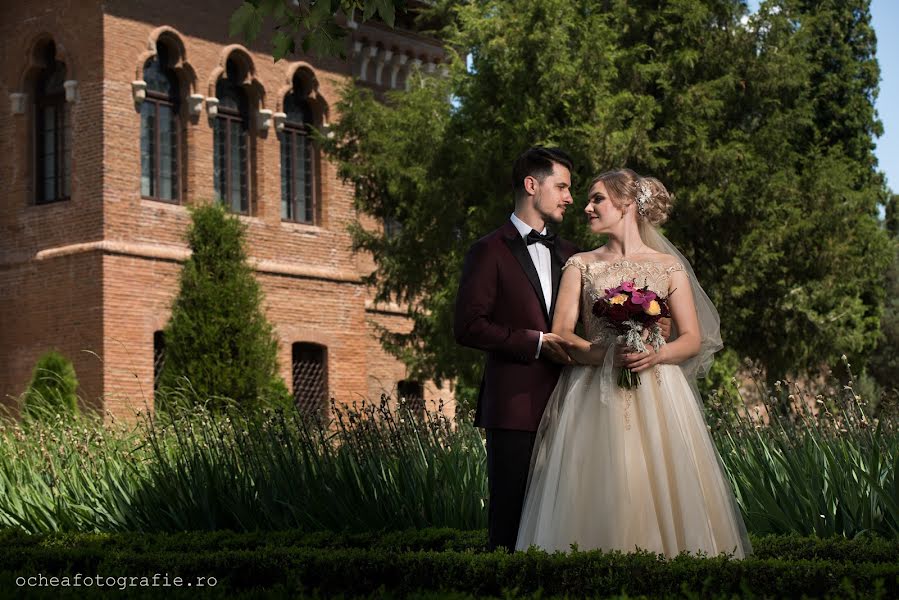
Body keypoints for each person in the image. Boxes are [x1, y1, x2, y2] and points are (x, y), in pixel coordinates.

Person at [515, 168, 752, 558]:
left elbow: (692, 338)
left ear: (626, 205)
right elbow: (562, 334)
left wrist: (656, 353)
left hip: (659, 394)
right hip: (593, 394)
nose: (586, 207)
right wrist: (606, 354)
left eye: (597, 199)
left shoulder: (667, 266)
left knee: (661, 488)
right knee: (595, 492)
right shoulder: (580, 264)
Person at [453, 146, 580, 551]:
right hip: (513, 408)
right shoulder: (487, 251)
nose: (569, 197)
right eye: (561, 186)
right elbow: (468, 326)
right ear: (531, 185)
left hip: (574, 406)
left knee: (566, 522)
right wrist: (536, 343)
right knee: (510, 525)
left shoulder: (573, 256)